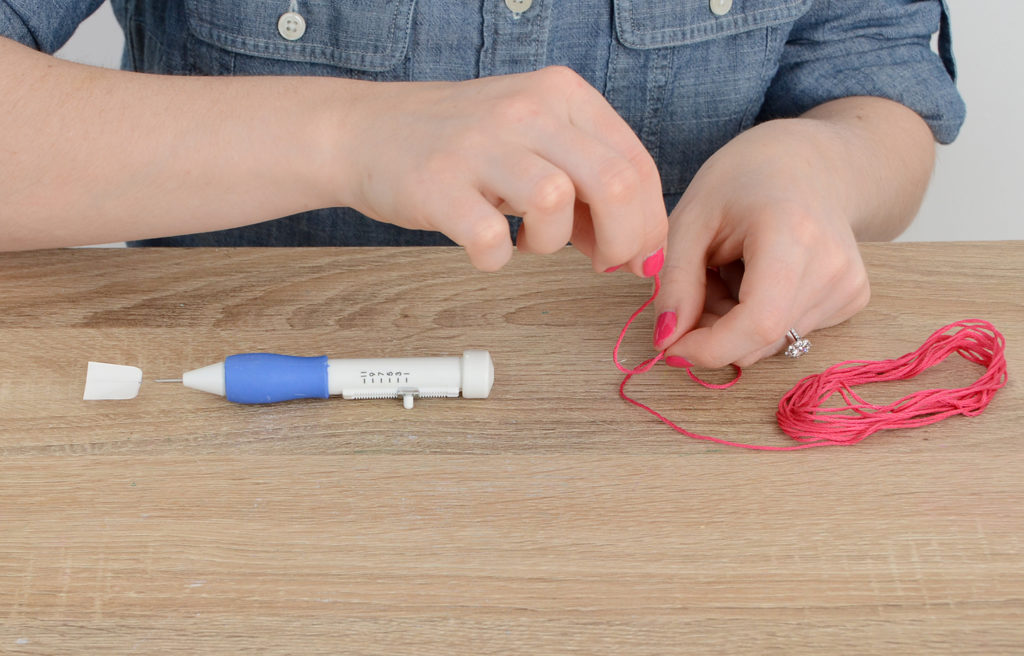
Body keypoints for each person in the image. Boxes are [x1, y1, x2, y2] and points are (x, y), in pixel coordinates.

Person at [0, 1, 965, 367]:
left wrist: (817, 165)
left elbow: (877, 77)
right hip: (204, 442)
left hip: (661, 452)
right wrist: (347, 135)